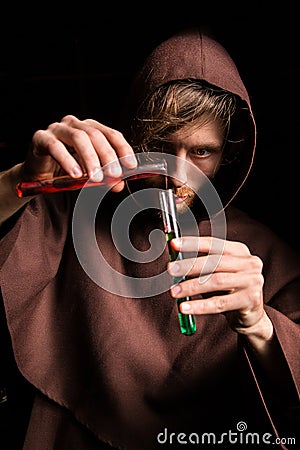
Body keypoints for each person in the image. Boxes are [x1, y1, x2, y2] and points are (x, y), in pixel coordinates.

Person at [0, 26, 299, 450]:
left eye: (201, 152)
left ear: (229, 154)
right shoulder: (69, 212)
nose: (176, 173)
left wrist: (261, 326)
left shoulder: (263, 251)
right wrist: (20, 179)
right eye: (161, 144)